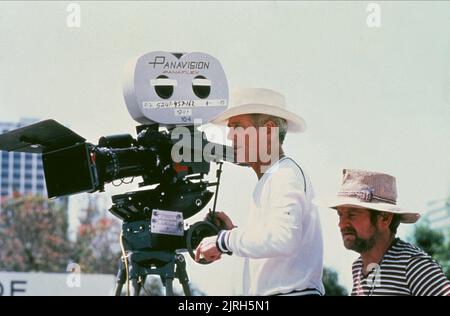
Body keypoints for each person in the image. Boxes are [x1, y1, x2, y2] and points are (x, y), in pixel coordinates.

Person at [194, 88, 324, 296]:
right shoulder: (275, 176)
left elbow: (283, 238)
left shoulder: (284, 175)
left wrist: (224, 241)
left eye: (237, 127)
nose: (230, 135)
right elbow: (276, 243)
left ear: (269, 130)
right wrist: (230, 234)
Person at [316, 169, 450, 296]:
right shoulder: (358, 267)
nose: (342, 224)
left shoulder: (412, 264)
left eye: (352, 214)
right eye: (340, 215)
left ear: (385, 218)